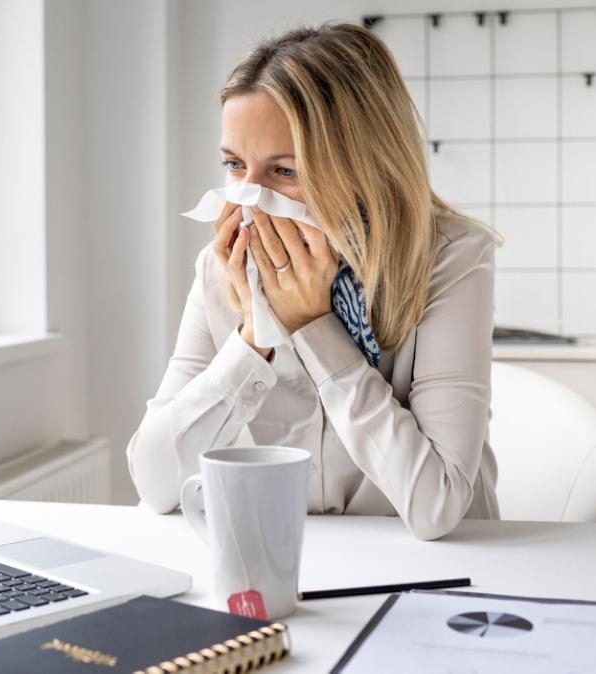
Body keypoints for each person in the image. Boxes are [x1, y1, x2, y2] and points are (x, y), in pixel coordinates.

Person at [126, 23, 501, 540]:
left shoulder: (449, 259)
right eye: (235, 166)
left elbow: (436, 505)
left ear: (364, 166)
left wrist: (314, 325)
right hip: (286, 557)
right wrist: (255, 338)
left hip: (443, 569)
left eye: (284, 172)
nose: (249, 199)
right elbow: (155, 481)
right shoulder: (221, 270)